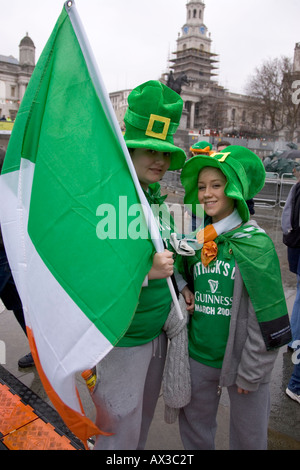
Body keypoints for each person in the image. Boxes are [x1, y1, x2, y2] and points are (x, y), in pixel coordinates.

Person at [91, 80, 194, 450]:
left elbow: (167, 254)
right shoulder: (110, 199)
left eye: (165, 153)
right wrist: (145, 272)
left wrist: (179, 283)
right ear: (129, 150)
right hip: (126, 337)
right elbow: (90, 271)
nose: (160, 161)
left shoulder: (159, 203)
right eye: (150, 150)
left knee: (142, 420)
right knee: (118, 424)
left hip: (157, 335)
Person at [176, 145, 291, 450]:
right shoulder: (197, 239)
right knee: (195, 430)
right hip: (198, 357)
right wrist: (183, 285)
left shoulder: (258, 246)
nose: (207, 194)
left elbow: (269, 314)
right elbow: (177, 266)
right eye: (201, 187)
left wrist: (253, 370)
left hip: (244, 363)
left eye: (217, 185)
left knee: (248, 438)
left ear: (236, 191)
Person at [0, 148, 34, 368]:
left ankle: (40, 350)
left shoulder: (4, 157)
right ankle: (39, 350)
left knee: (21, 303)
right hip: (6, 246)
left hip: (4, 246)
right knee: (20, 303)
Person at [282, 164, 300, 352]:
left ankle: (293, 339)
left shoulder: (295, 188)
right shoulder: (296, 189)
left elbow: (286, 219)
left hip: (295, 244)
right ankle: (294, 339)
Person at [216, 140, 255, 215]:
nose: (221, 154)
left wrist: (248, 210)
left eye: (224, 151)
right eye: (219, 151)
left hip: (234, 213)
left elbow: (245, 191)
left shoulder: (238, 170)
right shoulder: (211, 168)